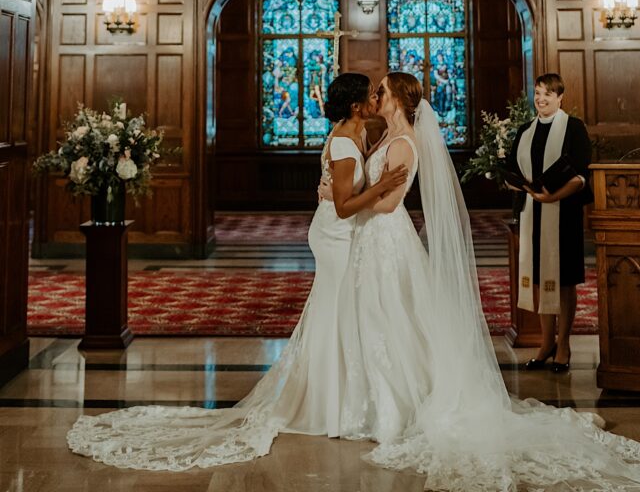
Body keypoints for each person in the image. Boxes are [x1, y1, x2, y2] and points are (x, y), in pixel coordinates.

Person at [68, 73, 640, 491]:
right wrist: (370, 190)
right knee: (372, 320)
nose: (377, 94)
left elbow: (387, 207)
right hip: (365, 239)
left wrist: (382, 191)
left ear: (396, 101)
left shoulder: (402, 144)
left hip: (382, 241)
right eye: (374, 91)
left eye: (384, 90)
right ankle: (352, 396)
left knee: (389, 321)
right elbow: (356, 196)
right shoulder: (377, 137)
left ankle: (384, 405)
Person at [66, 72, 408, 469]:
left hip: (341, 232)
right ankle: (326, 405)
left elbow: (339, 189)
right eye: (369, 96)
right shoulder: (347, 141)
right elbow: (346, 206)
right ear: (354, 106)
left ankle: (338, 400)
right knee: (333, 312)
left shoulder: (355, 132)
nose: (373, 101)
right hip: (336, 236)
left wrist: (346, 186)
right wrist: (382, 186)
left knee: (338, 313)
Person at [507, 73, 593, 372]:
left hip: (563, 214)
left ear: (560, 97)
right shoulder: (525, 131)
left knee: (565, 281)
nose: (541, 99)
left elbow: (582, 173)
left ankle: (564, 344)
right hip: (533, 212)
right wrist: (517, 184)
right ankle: (546, 343)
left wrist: (553, 196)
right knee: (542, 277)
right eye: (538, 93)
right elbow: (513, 169)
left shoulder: (574, 128)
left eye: (548, 94)